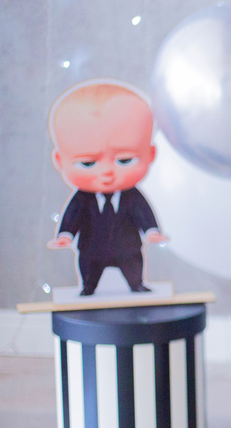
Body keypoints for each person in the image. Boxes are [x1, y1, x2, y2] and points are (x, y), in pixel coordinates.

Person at [47, 80, 168, 295]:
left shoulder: (132, 196)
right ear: (59, 161)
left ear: (150, 155)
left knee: (133, 265)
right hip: (92, 248)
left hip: (127, 247)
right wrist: (65, 234)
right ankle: (88, 287)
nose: (106, 172)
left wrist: (152, 231)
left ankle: (136, 284)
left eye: (124, 160)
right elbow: (72, 215)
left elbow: (144, 213)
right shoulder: (82, 199)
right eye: (88, 163)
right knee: (88, 269)